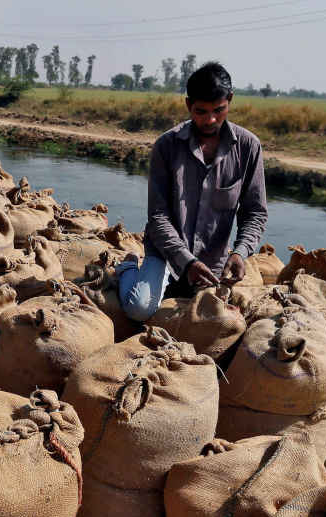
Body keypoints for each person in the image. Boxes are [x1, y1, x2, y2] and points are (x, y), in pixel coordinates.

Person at [117, 61, 268, 322]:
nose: (210, 119)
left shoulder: (248, 147)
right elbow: (158, 217)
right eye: (201, 111)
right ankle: (128, 267)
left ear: (229, 101)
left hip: (213, 261)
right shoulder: (167, 146)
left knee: (220, 322)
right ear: (189, 105)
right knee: (139, 308)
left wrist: (240, 253)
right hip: (166, 253)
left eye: (218, 110)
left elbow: (254, 212)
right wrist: (186, 262)